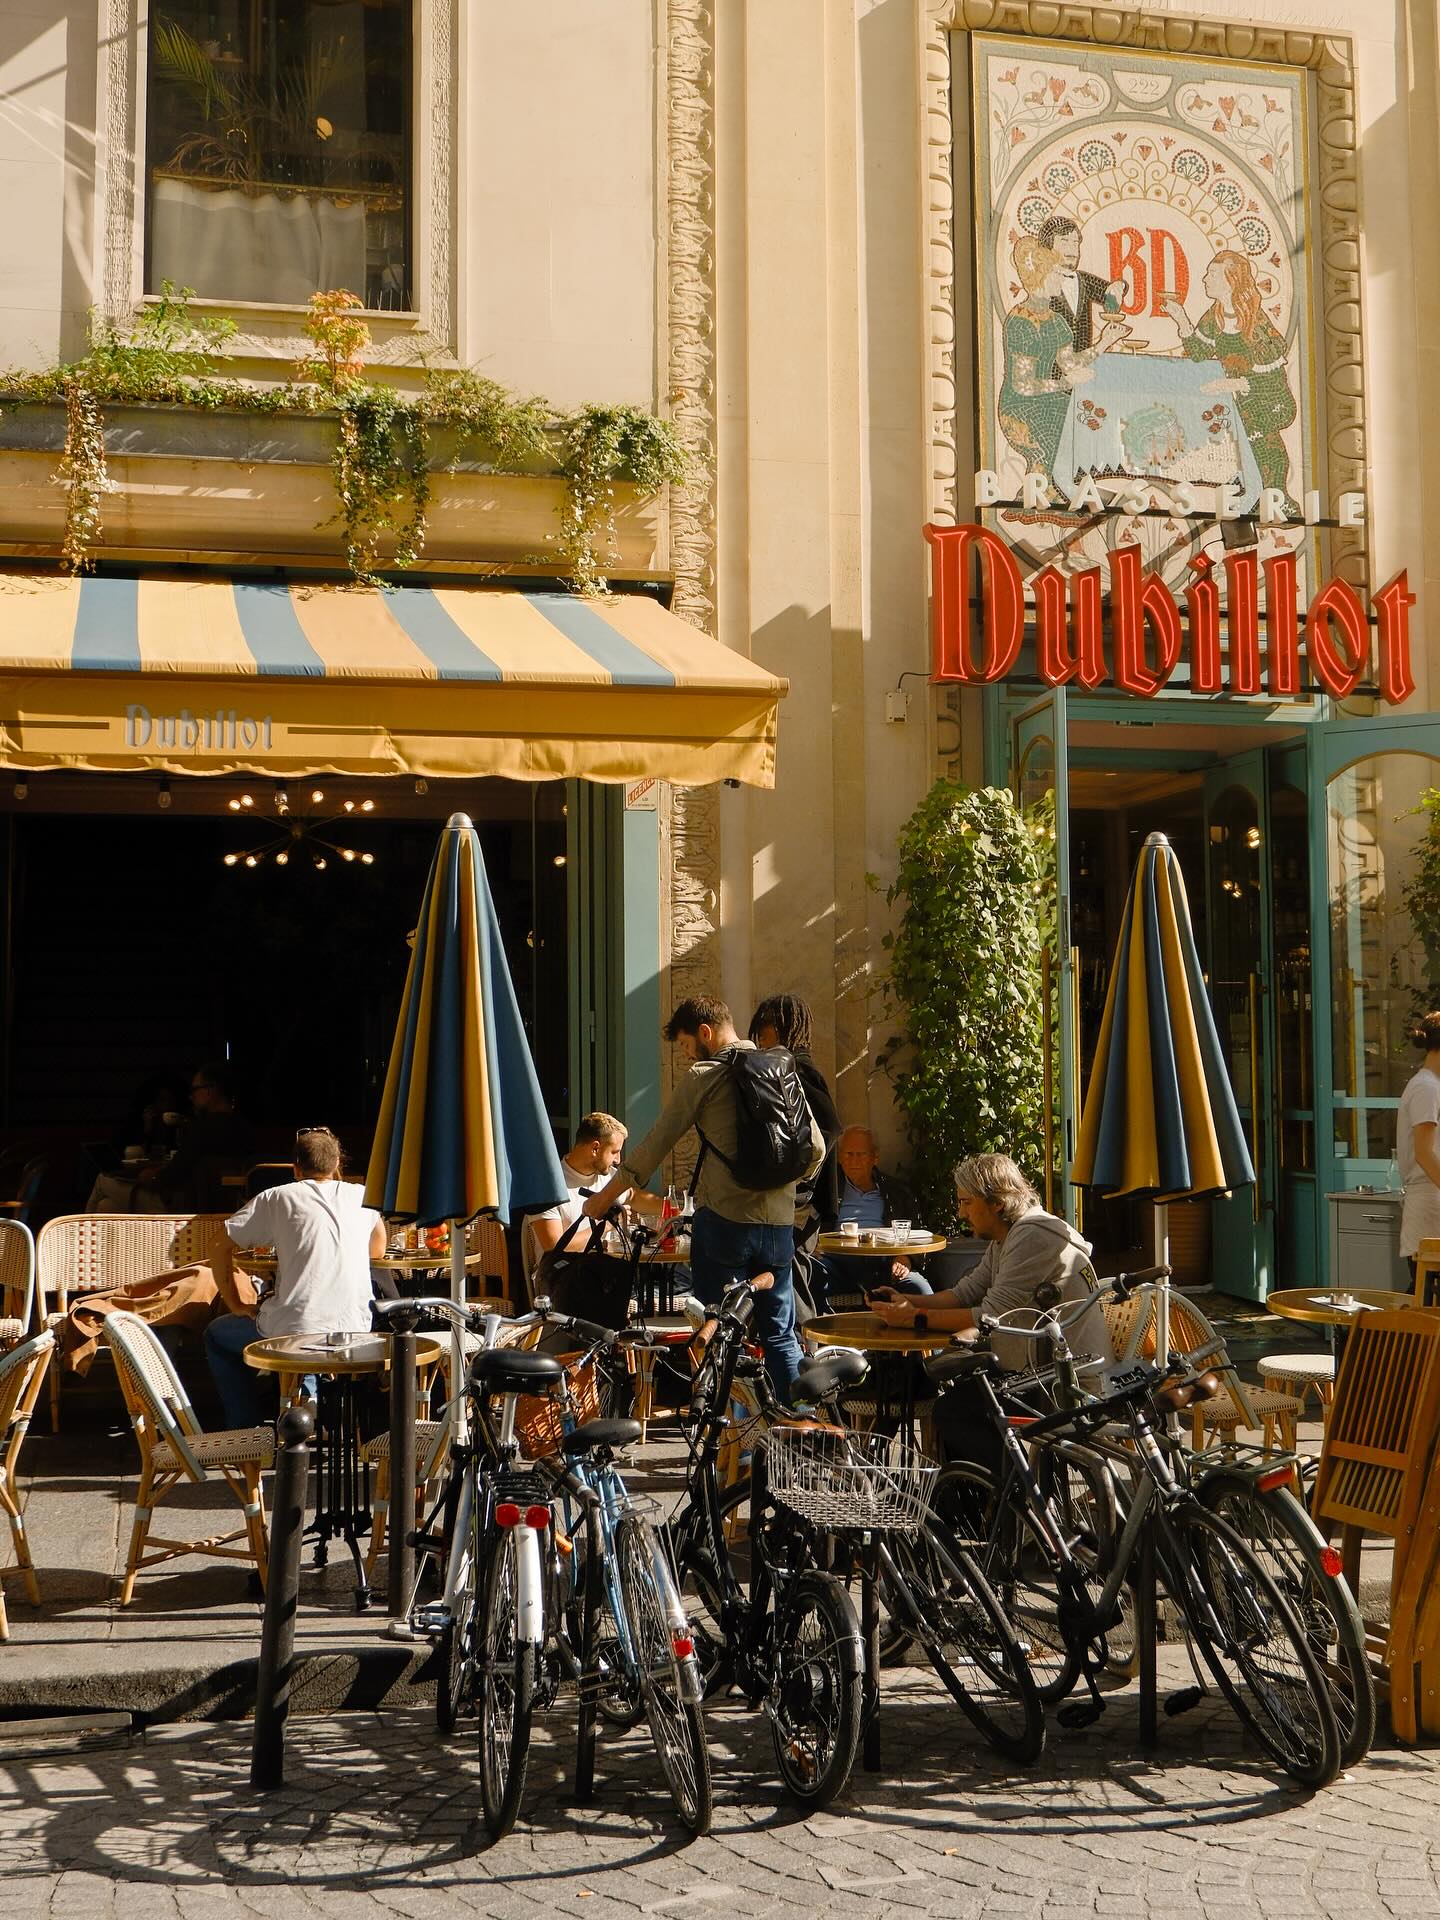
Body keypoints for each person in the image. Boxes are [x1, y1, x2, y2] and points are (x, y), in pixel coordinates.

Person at [582, 993, 824, 1404]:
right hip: (779, 1227)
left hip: (726, 1225)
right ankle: (796, 1427)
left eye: (685, 1044)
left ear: (706, 1032)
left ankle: (727, 1435)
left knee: (718, 1334)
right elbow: (815, 1148)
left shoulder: (704, 1075)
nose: (686, 1055)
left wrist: (603, 1199)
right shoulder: (781, 1067)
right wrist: (780, 1188)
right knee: (781, 1336)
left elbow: (655, 1145)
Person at [869, 1152, 1110, 1466]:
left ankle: (1017, 1488)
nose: (960, 1213)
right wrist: (908, 1302)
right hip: (1040, 1368)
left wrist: (914, 1318)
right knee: (956, 1393)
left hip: (1066, 1384)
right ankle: (982, 1494)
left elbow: (989, 1316)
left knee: (953, 1411)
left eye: (966, 1202)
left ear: (997, 1202)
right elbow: (965, 1293)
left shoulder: (1032, 1236)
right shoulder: (1009, 1235)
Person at [204, 1125, 385, 1429]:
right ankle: (308, 1399)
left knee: (217, 1335)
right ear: (337, 1164)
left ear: (295, 1168)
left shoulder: (276, 1197)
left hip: (295, 1331)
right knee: (306, 1323)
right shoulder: (361, 1196)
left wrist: (235, 1303)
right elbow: (377, 1250)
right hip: (355, 1328)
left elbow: (217, 1246)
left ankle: (247, 1429)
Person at [1159, 251, 1299, 510]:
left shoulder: (1255, 322)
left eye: (1212, 274)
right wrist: (1180, 317)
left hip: (1269, 402)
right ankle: (1252, 497)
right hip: (1238, 399)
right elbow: (1199, 352)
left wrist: (1232, 384)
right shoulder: (1216, 315)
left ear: (1231, 280)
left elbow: (1271, 380)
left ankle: (1277, 498)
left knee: (1262, 444)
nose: (1205, 279)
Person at [999, 236, 1129, 484]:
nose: (1062, 279)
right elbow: (1023, 385)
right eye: (1057, 274)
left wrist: (1104, 342)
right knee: (1062, 431)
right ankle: (1051, 491)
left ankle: (1090, 486)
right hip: (1019, 408)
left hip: (1050, 399)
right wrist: (1066, 383)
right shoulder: (1021, 322)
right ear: (1042, 276)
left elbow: (1068, 363)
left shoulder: (1055, 320)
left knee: (1095, 420)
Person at [520, 1112, 659, 1286]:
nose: (618, 1160)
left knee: (668, 1282)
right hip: (560, 1281)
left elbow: (633, 1196)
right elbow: (554, 1247)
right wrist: (606, 1225)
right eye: (614, 1152)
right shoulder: (548, 1185)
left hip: (602, 1276)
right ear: (595, 1148)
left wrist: (674, 1209)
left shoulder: (609, 1178)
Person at [814, 1124, 931, 1307]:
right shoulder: (827, 1189)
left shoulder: (896, 1192)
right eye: (848, 1154)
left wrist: (905, 1258)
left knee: (921, 1289)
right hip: (835, 1263)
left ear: (875, 1158)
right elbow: (806, 1221)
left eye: (860, 1154)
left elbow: (916, 1231)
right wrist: (811, 1246)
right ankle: (815, 1326)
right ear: (840, 1157)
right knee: (806, 1275)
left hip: (884, 1264)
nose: (854, 1161)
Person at [144, 1061, 257, 1211]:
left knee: (110, 1186)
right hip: (236, 1207)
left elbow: (173, 1175)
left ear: (209, 1091)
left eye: (195, 1090)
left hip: (190, 1209)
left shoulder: (201, 1128)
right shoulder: (246, 1128)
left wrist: (150, 1177)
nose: (191, 1097)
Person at [1038, 215, 1126, 355]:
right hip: (1051, 364)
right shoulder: (1039, 283)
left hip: (1085, 362)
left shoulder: (1083, 280)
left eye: (1075, 243)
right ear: (1047, 247)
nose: (1072, 250)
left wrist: (1118, 287)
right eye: (1064, 242)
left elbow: (1110, 301)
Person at [1398, 1013, 1440, 1282]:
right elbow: (1424, 1153)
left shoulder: (1432, 1086)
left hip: (1430, 1205)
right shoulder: (1427, 1088)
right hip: (1428, 1209)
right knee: (1426, 1298)